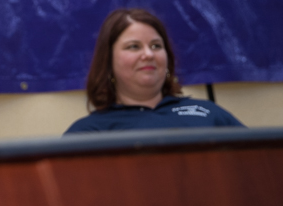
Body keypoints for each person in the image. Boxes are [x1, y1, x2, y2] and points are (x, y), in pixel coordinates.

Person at [65, 8, 243, 133]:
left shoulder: (207, 113)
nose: (149, 54)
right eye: (134, 47)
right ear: (108, 62)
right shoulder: (88, 132)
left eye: (156, 46)